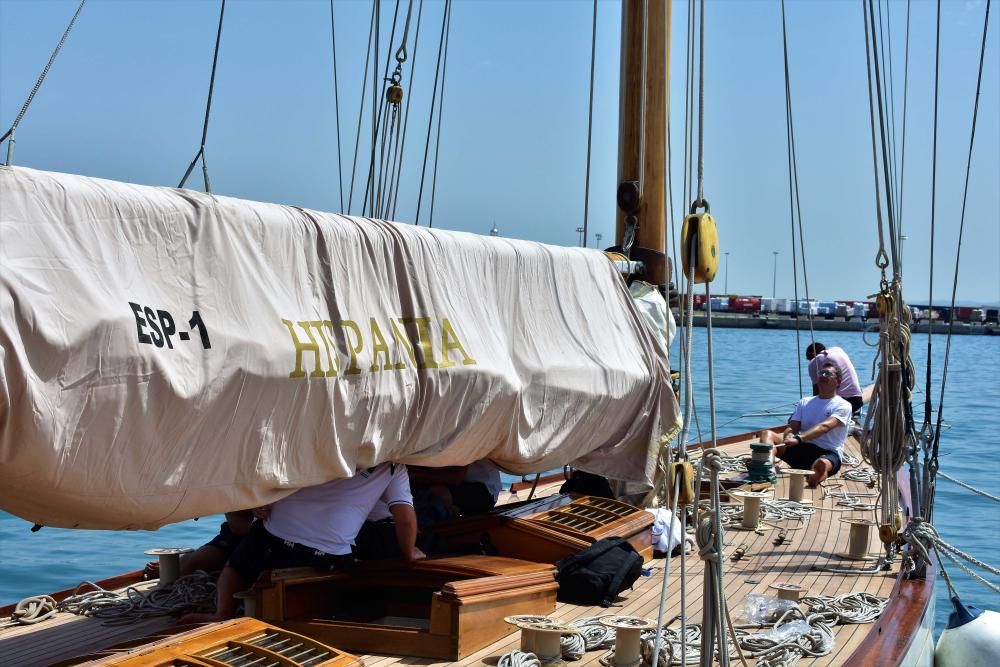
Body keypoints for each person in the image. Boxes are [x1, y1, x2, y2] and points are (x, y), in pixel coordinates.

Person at [177, 462, 425, 624]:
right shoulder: (393, 467)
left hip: (274, 541)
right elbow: (404, 521)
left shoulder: (319, 445)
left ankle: (223, 613)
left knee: (235, 567)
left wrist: (260, 503)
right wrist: (408, 554)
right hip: (330, 556)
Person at [760, 362, 853, 487]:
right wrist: (788, 435)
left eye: (828, 373)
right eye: (821, 373)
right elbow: (792, 427)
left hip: (827, 452)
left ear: (838, 381)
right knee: (767, 434)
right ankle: (766, 469)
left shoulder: (843, 405)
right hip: (801, 449)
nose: (823, 376)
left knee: (822, 464)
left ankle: (816, 475)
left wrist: (799, 438)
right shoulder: (805, 402)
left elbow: (825, 427)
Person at [144, 510, 253, 580]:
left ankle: (178, 566)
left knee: (193, 564)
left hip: (257, 537)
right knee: (194, 561)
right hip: (233, 534)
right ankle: (180, 564)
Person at [806, 342, 863, 414]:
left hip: (840, 404)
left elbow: (817, 391)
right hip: (857, 400)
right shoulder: (838, 350)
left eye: (809, 359)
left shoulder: (814, 362)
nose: (810, 361)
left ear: (812, 354)